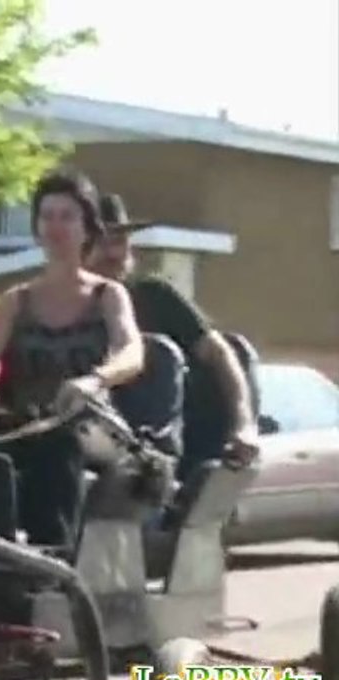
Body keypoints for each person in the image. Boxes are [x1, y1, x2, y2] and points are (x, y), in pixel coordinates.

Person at [0, 169, 146, 547]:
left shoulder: (107, 295)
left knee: (60, 445)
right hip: (24, 425)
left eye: (67, 216)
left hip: (91, 427)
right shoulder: (16, 301)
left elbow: (132, 352)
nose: (55, 227)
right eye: (47, 216)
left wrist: (95, 380)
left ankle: (54, 564)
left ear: (87, 227)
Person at [84, 193, 260, 477]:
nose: (114, 254)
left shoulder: (154, 296)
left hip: (153, 447)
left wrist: (244, 424)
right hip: (88, 437)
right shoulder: (57, 305)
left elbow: (219, 353)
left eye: (120, 242)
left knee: (169, 353)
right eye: (102, 243)